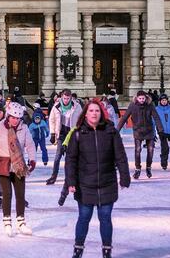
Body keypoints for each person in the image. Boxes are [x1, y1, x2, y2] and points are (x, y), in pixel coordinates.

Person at [66, 98, 130, 258]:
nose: (94, 113)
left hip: (107, 183)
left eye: (97, 110)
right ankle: (78, 248)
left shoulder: (111, 132)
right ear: (85, 114)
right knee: (84, 218)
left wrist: (124, 176)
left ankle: (107, 250)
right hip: (85, 184)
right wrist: (71, 181)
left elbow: (120, 156)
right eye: (91, 111)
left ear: (102, 113)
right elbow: (71, 160)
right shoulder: (78, 133)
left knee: (105, 218)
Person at [0, 102, 36, 237]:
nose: (15, 120)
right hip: (3, 164)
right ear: (8, 116)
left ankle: (21, 222)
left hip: (18, 165)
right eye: (13, 117)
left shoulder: (24, 128)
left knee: (20, 194)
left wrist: (32, 159)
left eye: (18, 118)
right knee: (7, 193)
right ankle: (7, 222)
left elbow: (30, 145)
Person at [117, 90, 164, 179]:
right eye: (140, 98)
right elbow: (124, 118)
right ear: (137, 98)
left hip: (149, 131)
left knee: (150, 149)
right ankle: (138, 168)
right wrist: (117, 130)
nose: (142, 100)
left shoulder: (150, 105)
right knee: (138, 150)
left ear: (145, 98)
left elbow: (156, 117)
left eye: (143, 98)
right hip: (138, 131)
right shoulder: (132, 106)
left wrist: (160, 129)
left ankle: (148, 167)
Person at [46, 89, 83, 185]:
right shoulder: (56, 106)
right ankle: (53, 177)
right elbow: (52, 120)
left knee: (71, 157)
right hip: (61, 133)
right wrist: (53, 133)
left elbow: (81, 119)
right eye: (64, 98)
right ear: (62, 97)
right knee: (57, 157)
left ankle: (73, 177)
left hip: (72, 134)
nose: (66, 100)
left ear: (71, 97)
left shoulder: (77, 106)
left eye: (68, 98)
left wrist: (80, 132)